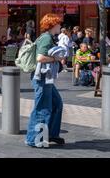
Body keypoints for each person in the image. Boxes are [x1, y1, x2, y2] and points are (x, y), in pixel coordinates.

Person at [25, 14, 65, 148]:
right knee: (42, 108)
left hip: (46, 78)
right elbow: (40, 58)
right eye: (59, 24)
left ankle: (52, 134)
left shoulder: (47, 37)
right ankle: (33, 139)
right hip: (42, 78)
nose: (60, 26)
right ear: (53, 24)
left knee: (57, 104)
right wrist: (56, 59)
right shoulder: (47, 38)